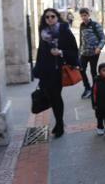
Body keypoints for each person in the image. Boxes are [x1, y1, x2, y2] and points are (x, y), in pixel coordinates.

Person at [33, 8, 79, 138]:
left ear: (57, 17)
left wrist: (60, 52)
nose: (50, 19)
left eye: (52, 16)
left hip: (58, 70)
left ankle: (59, 124)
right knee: (51, 96)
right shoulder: (43, 32)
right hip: (46, 70)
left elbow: (74, 50)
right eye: (47, 17)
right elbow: (40, 52)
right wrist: (37, 70)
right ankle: (59, 122)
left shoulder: (64, 31)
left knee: (56, 96)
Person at [78, 8, 105, 99]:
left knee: (93, 71)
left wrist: (99, 47)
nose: (83, 17)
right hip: (84, 53)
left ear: (88, 15)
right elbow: (81, 40)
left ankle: (95, 88)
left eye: (85, 15)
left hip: (94, 53)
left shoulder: (95, 25)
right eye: (82, 16)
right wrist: (79, 52)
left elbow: (103, 38)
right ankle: (87, 88)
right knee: (81, 70)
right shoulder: (81, 25)